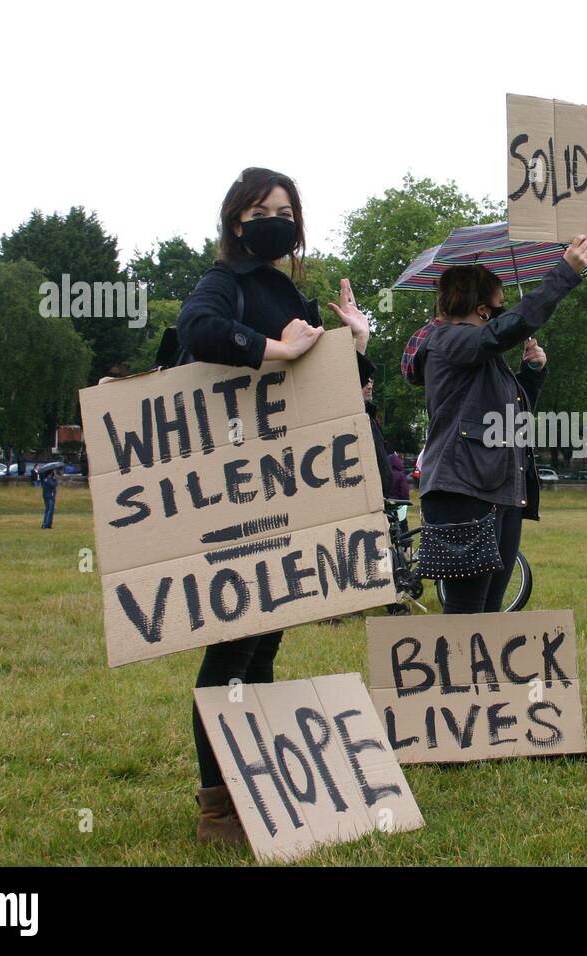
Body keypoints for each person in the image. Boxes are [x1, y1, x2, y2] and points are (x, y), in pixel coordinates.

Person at [175, 167, 375, 846]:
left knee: (264, 645)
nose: (277, 220)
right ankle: (216, 808)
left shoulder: (292, 292)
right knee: (230, 650)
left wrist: (357, 343)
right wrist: (274, 349)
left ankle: (253, 783)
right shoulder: (224, 280)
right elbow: (197, 331)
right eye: (263, 209)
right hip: (233, 495)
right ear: (237, 220)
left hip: (286, 492)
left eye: (287, 209)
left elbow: (337, 392)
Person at [408, 236, 587, 613]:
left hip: (498, 490)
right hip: (463, 490)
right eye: (499, 305)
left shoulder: (481, 357)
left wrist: (532, 372)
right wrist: (563, 274)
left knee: (492, 609)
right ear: (481, 310)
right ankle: (456, 675)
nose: (505, 310)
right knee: (466, 611)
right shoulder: (448, 341)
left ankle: (482, 676)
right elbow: (508, 328)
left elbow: (509, 418)